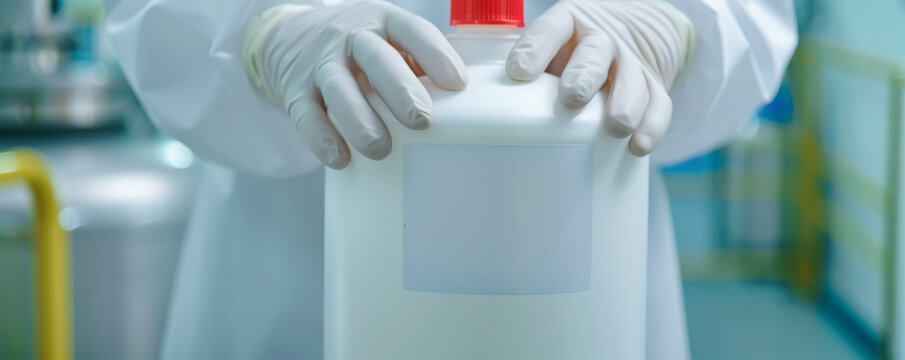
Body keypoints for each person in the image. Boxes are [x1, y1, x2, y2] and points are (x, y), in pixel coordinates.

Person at [103, 0, 797, 358]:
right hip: (291, 260)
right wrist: (258, 32)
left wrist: (678, 25)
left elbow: (753, 14)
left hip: (586, 234)